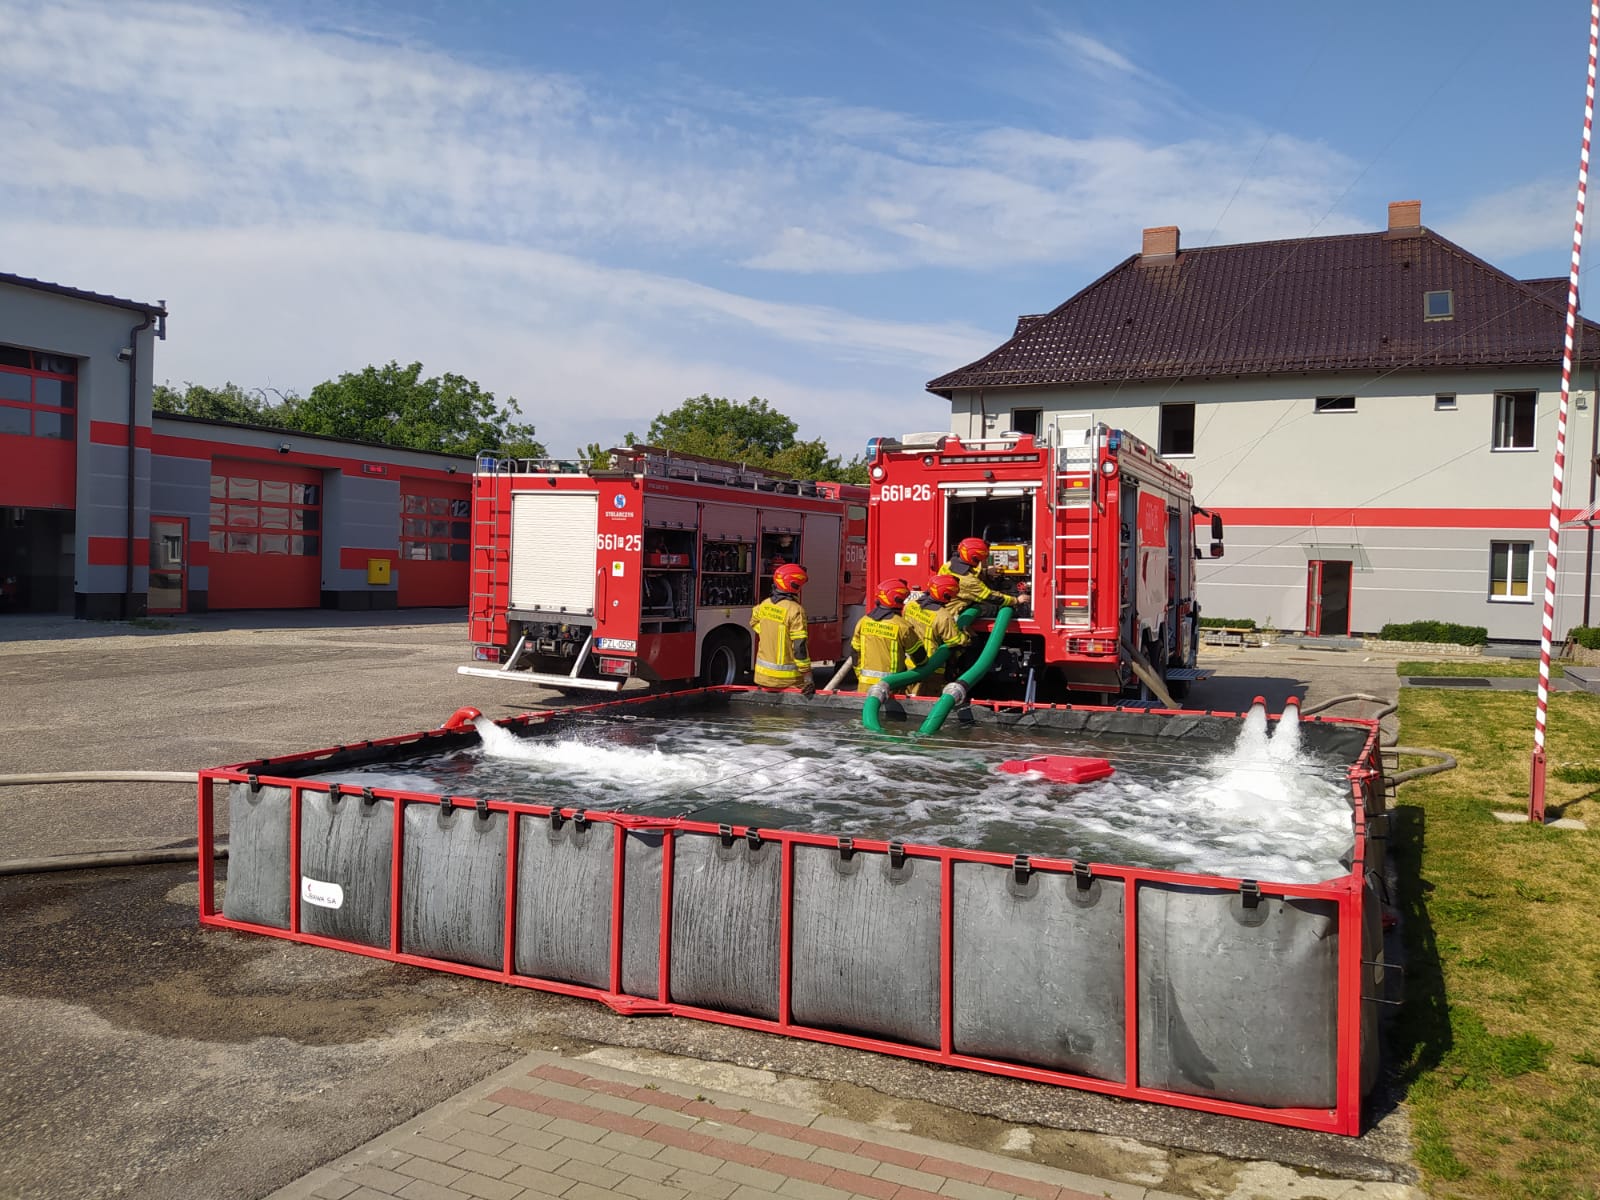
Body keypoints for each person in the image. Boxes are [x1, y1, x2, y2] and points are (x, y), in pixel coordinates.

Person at [750, 562, 814, 694]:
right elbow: (799, 647)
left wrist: (771, 633)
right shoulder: (795, 610)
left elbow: (753, 622)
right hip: (787, 681)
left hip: (762, 677)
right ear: (795, 585)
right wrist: (808, 677)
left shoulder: (765, 605)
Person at [902, 574, 969, 696]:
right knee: (926, 701)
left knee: (909, 697)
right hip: (932, 667)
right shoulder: (943, 616)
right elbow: (955, 641)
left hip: (909, 664)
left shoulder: (910, 605)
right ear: (946, 595)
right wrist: (967, 636)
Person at [851, 577, 919, 689]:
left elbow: (855, 652)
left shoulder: (863, 621)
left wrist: (860, 675)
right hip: (892, 687)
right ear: (898, 600)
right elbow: (920, 658)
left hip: (865, 687)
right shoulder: (903, 626)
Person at [938, 537, 1029, 616]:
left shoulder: (948, 565)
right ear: (975, 558)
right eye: (982, 559)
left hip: (945, 607)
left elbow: (968, 575)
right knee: (992, 608)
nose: (984, 561)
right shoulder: (969, 581)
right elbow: (990, 597)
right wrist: (1016, 600)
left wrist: (985, 572)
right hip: (954, 613)